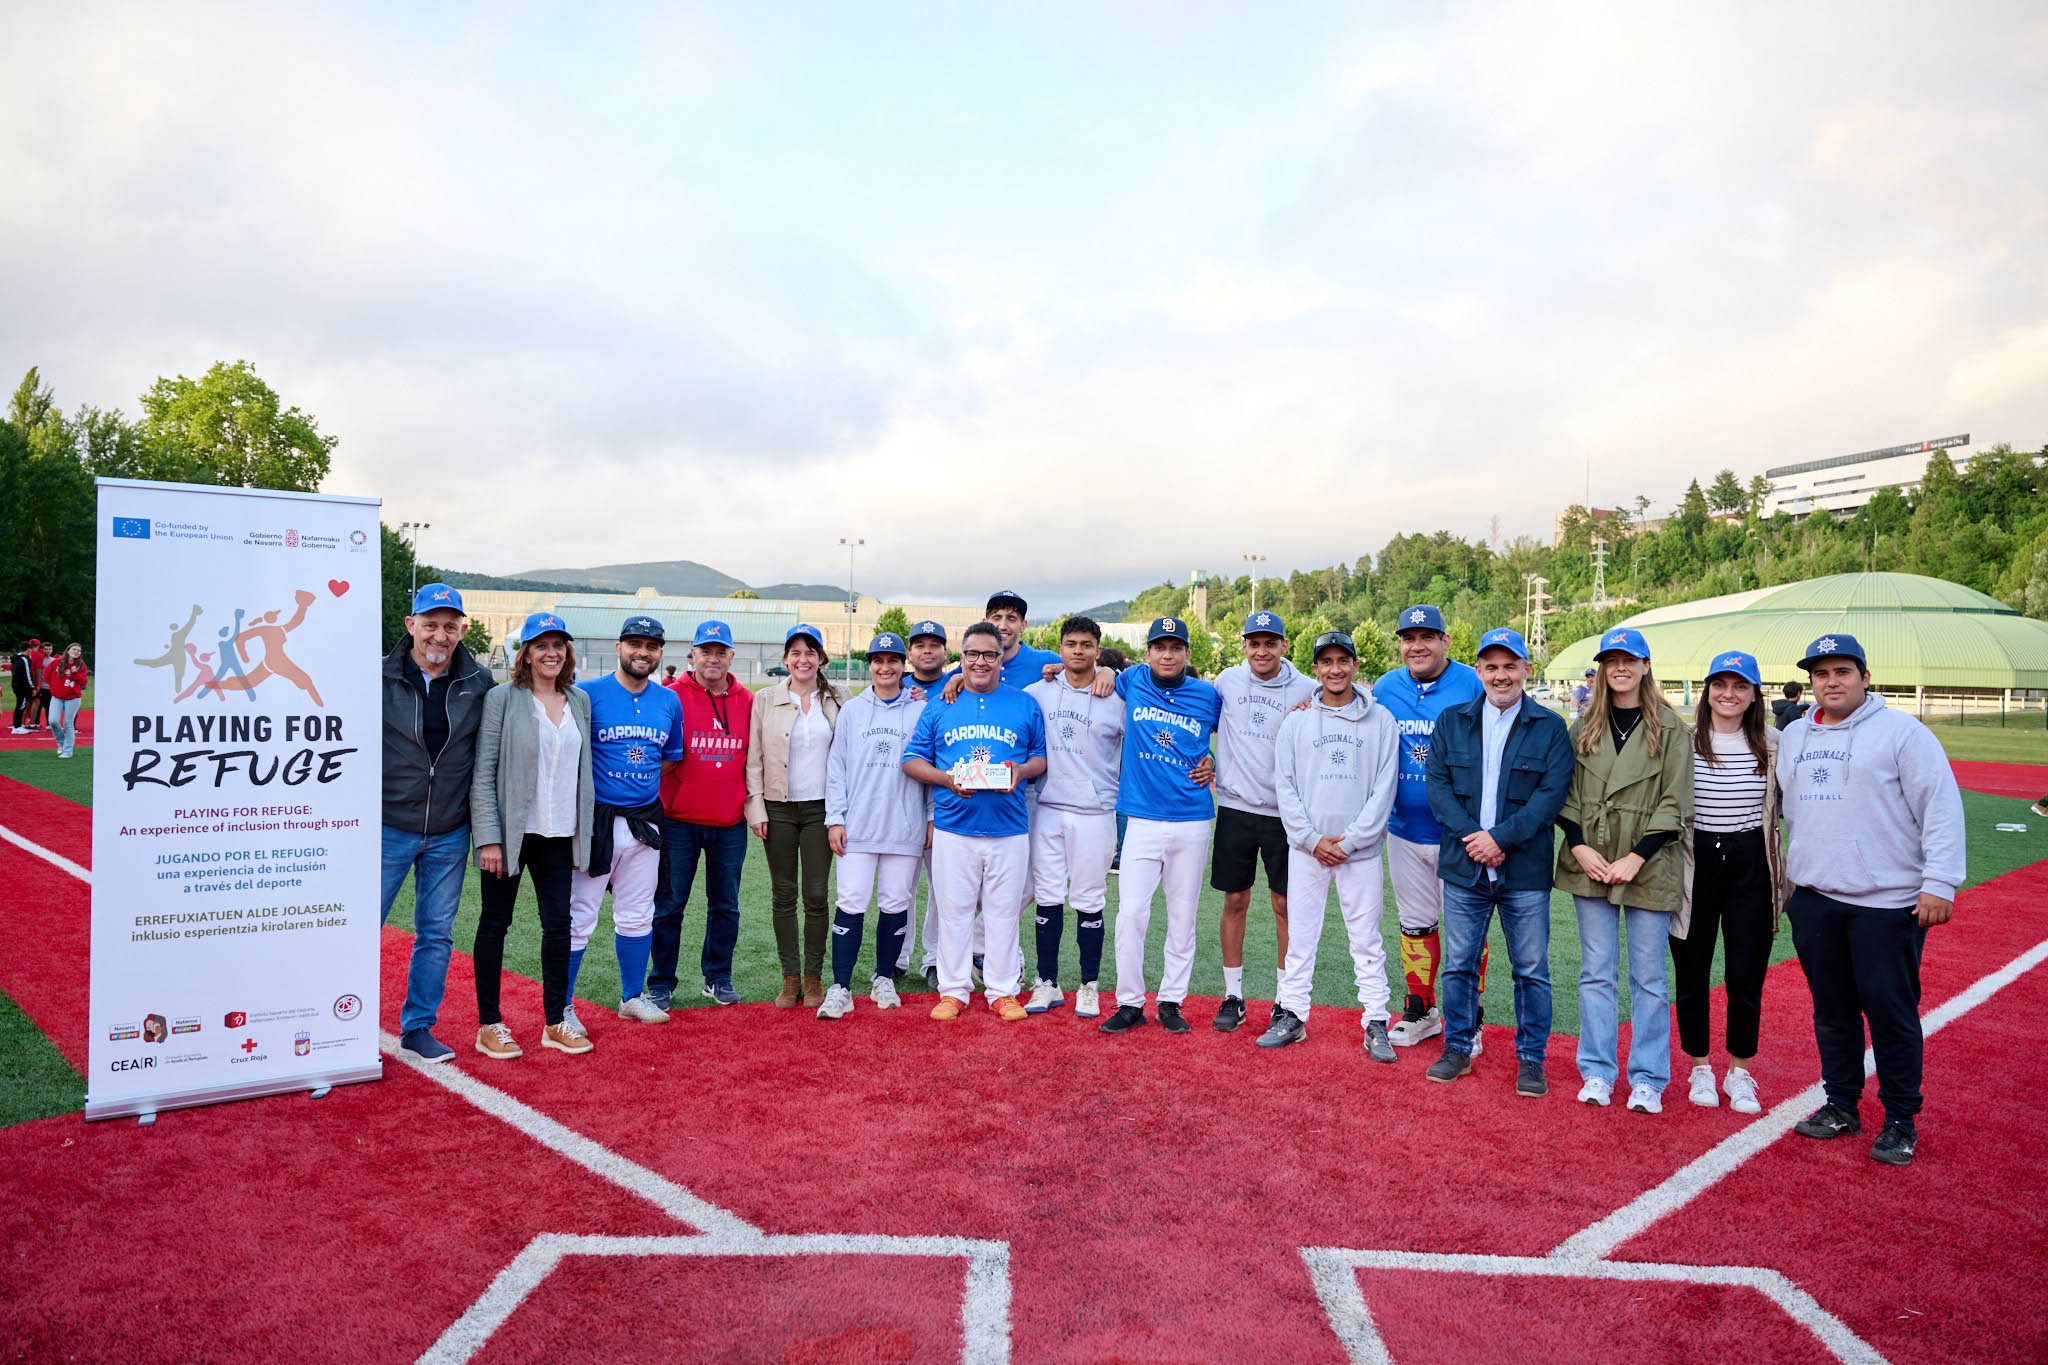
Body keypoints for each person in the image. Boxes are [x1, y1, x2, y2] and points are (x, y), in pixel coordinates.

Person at [1780, 633, 1964, 1166]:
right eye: (1821, 674)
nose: (1831, 682)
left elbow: (1940, 806)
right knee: (1832, 1011)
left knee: (1890, 1013)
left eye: (1842, 672)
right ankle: (1841, 1105)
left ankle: (1901, 1119)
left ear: (1865, 677)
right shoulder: (1795, 735)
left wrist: (1940, 881)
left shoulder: (1903, 733)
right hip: (1815, 896)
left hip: (1886, 902)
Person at [1420, 628, 1574, 1096]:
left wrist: (1499, 839)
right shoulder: (1452, 721)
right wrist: (1476, 840)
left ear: (1526, 669)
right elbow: (1438, 788)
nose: (1500, 675)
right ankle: (1458, 1047)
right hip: (1465, 866)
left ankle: (1531, 1058)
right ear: (1479, 671)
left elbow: (1550, 797)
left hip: (1523, 871)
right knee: (1459, 966)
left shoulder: (1550, 727)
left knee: (1531, 970)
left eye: (1510, 666)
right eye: (1491, 667)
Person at [1554, 627, 1692, 1114]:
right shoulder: (1583, 726)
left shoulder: (1671, 728)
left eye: (1629, 660)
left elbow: (1676, 802)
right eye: (1611, 661)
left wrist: (1638, 855)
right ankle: (1597, 1070)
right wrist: (1578, 846)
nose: (1620, 669)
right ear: (1601, 670)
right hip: (1590, 858)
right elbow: (1565, 793)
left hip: (1648, 862)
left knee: (1649, 977)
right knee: (1596, 973)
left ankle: (1648, 1077)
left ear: (1646, 666)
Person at [1258, 631, 1401, 1058]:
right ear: (1315, 669)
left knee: (1366, 939)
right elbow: (1285, 786)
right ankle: (1292, 1014)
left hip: (1361, 852)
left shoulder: (1382, 720)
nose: (1335, 669)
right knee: (1301, 937)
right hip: (1308, 851)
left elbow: (1384, 788)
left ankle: (1375, 1021)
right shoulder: (1297, 722)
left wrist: (1352, 841)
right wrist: (1311, 839)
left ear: (1355, 665)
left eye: (1343, 661)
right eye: (1327, 662)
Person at [902, 621, 1047, 1020]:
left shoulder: (1023, 703)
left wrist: (1020, 771)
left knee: (1003, 914)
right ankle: (953, 990)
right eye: (972, 654)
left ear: (1001, 659)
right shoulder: (941, 705)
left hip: (1009, 827)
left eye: (988, 654)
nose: (980, 662)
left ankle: (1002, 990)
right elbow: (911, 760)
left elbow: (1040, 758)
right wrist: (945, 779)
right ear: (961, 658)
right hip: (954, 825)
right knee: (954, 912)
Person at [470, 612, 596, 1058]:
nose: (551, 653)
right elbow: (484, 771)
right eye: (541, 645)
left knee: (558, 926)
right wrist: (489, 837)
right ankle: (490, 1024)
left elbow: (583, 773)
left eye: (558, 645)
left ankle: (556, 1021)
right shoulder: (502, 698)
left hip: (559, 832)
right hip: (511, 833)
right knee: (495, 923)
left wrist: (584, 835)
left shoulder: (578, 700)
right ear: (525, 653)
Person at [380, 584, 493, 1063]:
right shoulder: (378, 677)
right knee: (360, 927)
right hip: (387, 825)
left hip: (449, 830)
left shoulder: (479, 682)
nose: (440, 636)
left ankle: (419, 1026)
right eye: (430, 624)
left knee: (436, 933)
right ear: (411, 626)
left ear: (461, 630)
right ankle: (338, 1024)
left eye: (450, 626)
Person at [1673, 650, 1785, 1114]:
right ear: (1707, 691)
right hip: (1694, 863)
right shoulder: (1684, 740)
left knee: (1745, 975)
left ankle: (1740, 1071)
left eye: (1740, 686)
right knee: (1691, 972)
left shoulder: (1775, 743)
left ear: (1754, 694)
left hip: (1751, 863)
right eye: (1720, 685)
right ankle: (1699, 1066)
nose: (1729, 694)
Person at [1099, 617, 1222, 1036]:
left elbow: (1239, 737)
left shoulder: (1207, 694)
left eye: (1175, 648)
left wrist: (1214, 760)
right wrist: (1101, 669)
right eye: (1160, 647)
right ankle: (1130, 1002)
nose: (1167, 655)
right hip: (1142, 819)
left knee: (1182, 915)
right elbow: (1084, 670)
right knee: (1131, 914)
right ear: (1148, 652)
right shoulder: (1131, 680)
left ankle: (1171, 1001)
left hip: (1192, 819)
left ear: (1187, 653)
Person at [1374, 604, 1486, 1049]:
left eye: (1427, 637)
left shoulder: (1472, 683)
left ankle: (1469, 1015)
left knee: (1465, 928)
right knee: (1415, 923)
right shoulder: (1386, 687)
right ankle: (1422, 1009)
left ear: (1445, 641)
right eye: (1408, 638)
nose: (1416, 646)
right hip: (1403, 829)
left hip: (1460, 833)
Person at [571, 616, 688, 1025]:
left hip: (644, 823)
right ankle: (561, 1006)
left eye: (651, 646)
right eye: (635, 644)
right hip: (595, 822)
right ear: (619, 647)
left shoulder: (668, 701)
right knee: (579, 915)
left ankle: (632, 996)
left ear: (660, 653)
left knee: (638, 913)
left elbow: (670, 759)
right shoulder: (587, 694)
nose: (643, 652)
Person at [1208, 610, 1317, 1032]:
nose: (1262, 651)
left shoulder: (1306, 688)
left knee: (1285, 905)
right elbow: (1200, 723)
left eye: (1270, 643)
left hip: (1284, 813)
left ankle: (1285, 999)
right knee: (1235, 900)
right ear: (1244, 646)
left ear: (1284, 646)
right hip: (1235, 808)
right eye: (1254, 643)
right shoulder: (1227, 681)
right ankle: (1233, 995)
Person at [820, 632, 929, 1019]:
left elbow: (932, 766)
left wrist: (931, 817)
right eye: (878, 660)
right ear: (870, 665)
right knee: (850, 902)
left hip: (904, 825)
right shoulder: (852, 710)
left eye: (893, 660)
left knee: (896, 903)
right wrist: (835, 818)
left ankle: (884, 978)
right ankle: (841, 987)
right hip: (858, 826)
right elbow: (836, 768)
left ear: (904, 665)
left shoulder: (920, 709)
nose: (885, 667)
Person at [1023, 616, 1125, 1018]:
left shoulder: (1117, 696)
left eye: (1086, 644)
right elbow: (997, 694)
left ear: (1098, 650)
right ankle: (1046, 982)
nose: (1078, 651)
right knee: (1047, 896)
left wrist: (1114, 674)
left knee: (1089, 899)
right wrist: (959, 678)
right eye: (1071, 644)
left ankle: (1089, 985)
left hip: (1095, 812)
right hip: (1048, 807)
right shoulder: (1039, 692)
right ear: (1060, 648)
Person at [649, 620, 754, 1009]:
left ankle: (718, 976)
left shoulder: (748, 700)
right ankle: (661, 982)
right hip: (678, 821)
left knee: (726, 905)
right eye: (705, 651)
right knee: (670, 905)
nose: (713, 658)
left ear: (731, 656)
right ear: (692, 655)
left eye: (720, 651)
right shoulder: (671, 696)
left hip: (729, 822)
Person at [746, 624, 847, 1008]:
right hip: (778, 807)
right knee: (784, 893)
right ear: (786, 658)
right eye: (795, 653)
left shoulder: (839, 696)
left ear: (821, 658)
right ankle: (790, 978)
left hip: (822, 809)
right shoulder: (766, 699)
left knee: (816, 895)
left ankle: (813, 977)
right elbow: (754, 758)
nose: (803, 660)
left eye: (810, 652)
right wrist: (756, 807)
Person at [898, 619, 953, 989]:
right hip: (900, 798)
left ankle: (934, 959)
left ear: (946, 652)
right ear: (910, 652)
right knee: (900, 884)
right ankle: (897, 955)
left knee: (941, 887)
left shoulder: (958, 686)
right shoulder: (891, 684)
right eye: (920, 645)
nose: (927, 651)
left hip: (943, 800)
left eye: (934, 644)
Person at [43, 644, 88, 758]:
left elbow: (83, 682)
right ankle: (61, 743)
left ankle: (67, 751)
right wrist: (54, 686)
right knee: (53, 721)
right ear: (68, 650)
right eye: (74, 649)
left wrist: (75, 673)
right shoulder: (56, 662)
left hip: (73, 698)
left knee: (68, 723)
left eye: (79, 650)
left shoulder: (81, 665)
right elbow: (46, 675)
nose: (77, 652)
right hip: (57, 697)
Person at [10, 641, 37, 733]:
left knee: (20, 704)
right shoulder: (24, 659)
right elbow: (27, 675)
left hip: (16, 684)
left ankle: (17, 725)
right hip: (22, 686)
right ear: (28, 649)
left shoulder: (16, 658)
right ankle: (17, 727)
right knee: (21, 705)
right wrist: (32, 687)